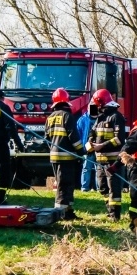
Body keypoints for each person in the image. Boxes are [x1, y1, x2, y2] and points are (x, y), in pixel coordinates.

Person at [87, 89, 127, 220]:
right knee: (102, 187)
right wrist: (90, 140)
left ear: (101, 103)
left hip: (112, 160)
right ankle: (109, 211)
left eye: (95, 104)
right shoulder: (100, 117)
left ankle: (115, 215)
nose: (94, 107)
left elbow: (118, 139)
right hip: (100, 161)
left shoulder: (116, 117)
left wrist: (102, 146)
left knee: (114, 189)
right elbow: (92, 131)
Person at [45, 88, 84, 220]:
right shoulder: (67, 116)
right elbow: (74, 137)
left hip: (54, 157)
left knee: (65, 184)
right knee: (64, 185)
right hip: (67, 157)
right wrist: (81, 151)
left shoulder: (50, 118)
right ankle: (60, 213)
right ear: (66, 102)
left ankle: (68, 211)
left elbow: (47, 138)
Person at [77, 104, 97, 192]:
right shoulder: (82, 119)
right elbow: (78, 134)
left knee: (98, 169)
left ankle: (99, 188)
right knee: (86, 168)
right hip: (87, 148)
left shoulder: (101, 118)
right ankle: (85, 188)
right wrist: (82, 147)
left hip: (98, 147)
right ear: (88, 108)